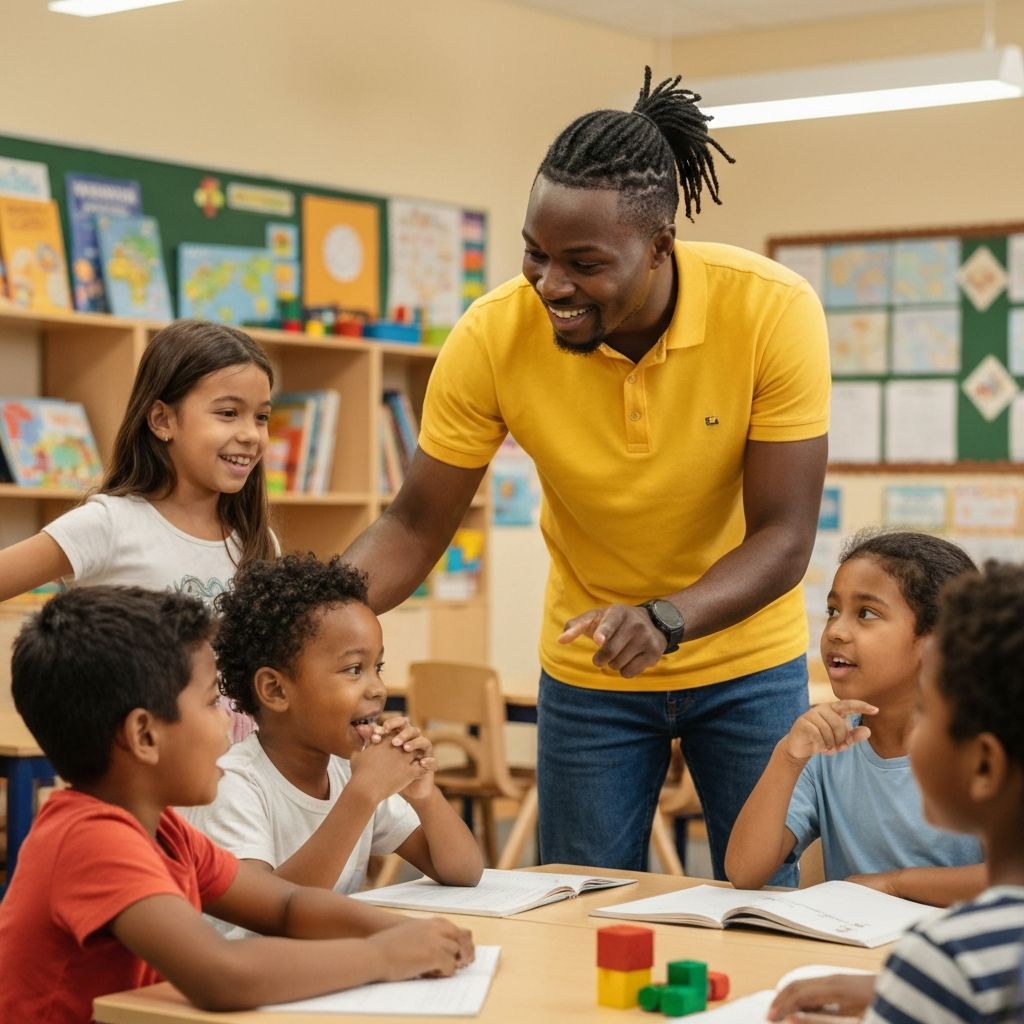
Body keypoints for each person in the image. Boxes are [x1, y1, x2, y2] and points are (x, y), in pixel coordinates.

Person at [342, 67, 831, 875]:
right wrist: (308, 615)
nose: (551, 284)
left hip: (745, 659)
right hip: (591, 667)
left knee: (761, 905)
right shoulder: (493, 335)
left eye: (584, 262)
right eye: (535, 253)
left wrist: (667, 617)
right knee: (575, 905)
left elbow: (785, 535)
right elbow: (414, 523)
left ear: (660, 247)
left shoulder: (770, 311)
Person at [0, 586, 473, 1023]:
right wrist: (385, 956)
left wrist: (410, 934)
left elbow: (286, 905)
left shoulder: (165, 830)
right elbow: (222, 975)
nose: (229, 726)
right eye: (211, 705)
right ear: (144, 735)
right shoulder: (91, 840)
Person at [768, 561, 1024, 1024]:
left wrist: (913, 987)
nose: (837, 632)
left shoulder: (950, 960)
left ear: (985, 763)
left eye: (929, 708)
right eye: (831, 610)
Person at [0, 318, 277, 740]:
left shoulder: (258, 540)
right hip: (138, 776)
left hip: (238, 783)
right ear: (162, 420)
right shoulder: (109, 523)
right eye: (227, 413)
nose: (250, 435)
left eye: (261, 417)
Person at [182, 553, 483, 922]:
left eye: (379, 667)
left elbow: (463, 872)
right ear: (275, 690)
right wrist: (362, 795)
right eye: (354, 669)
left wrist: (425, 796)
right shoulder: (234, 785)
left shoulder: (345, 772)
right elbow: (271, 917)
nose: (377, 688)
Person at [726, 530, 985, 905]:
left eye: (866, 613)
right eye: (833, 611)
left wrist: (894, 884)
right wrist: (787, 758)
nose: (836, 631)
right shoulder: (827, 745)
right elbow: (744, 871)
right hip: (858, 951)